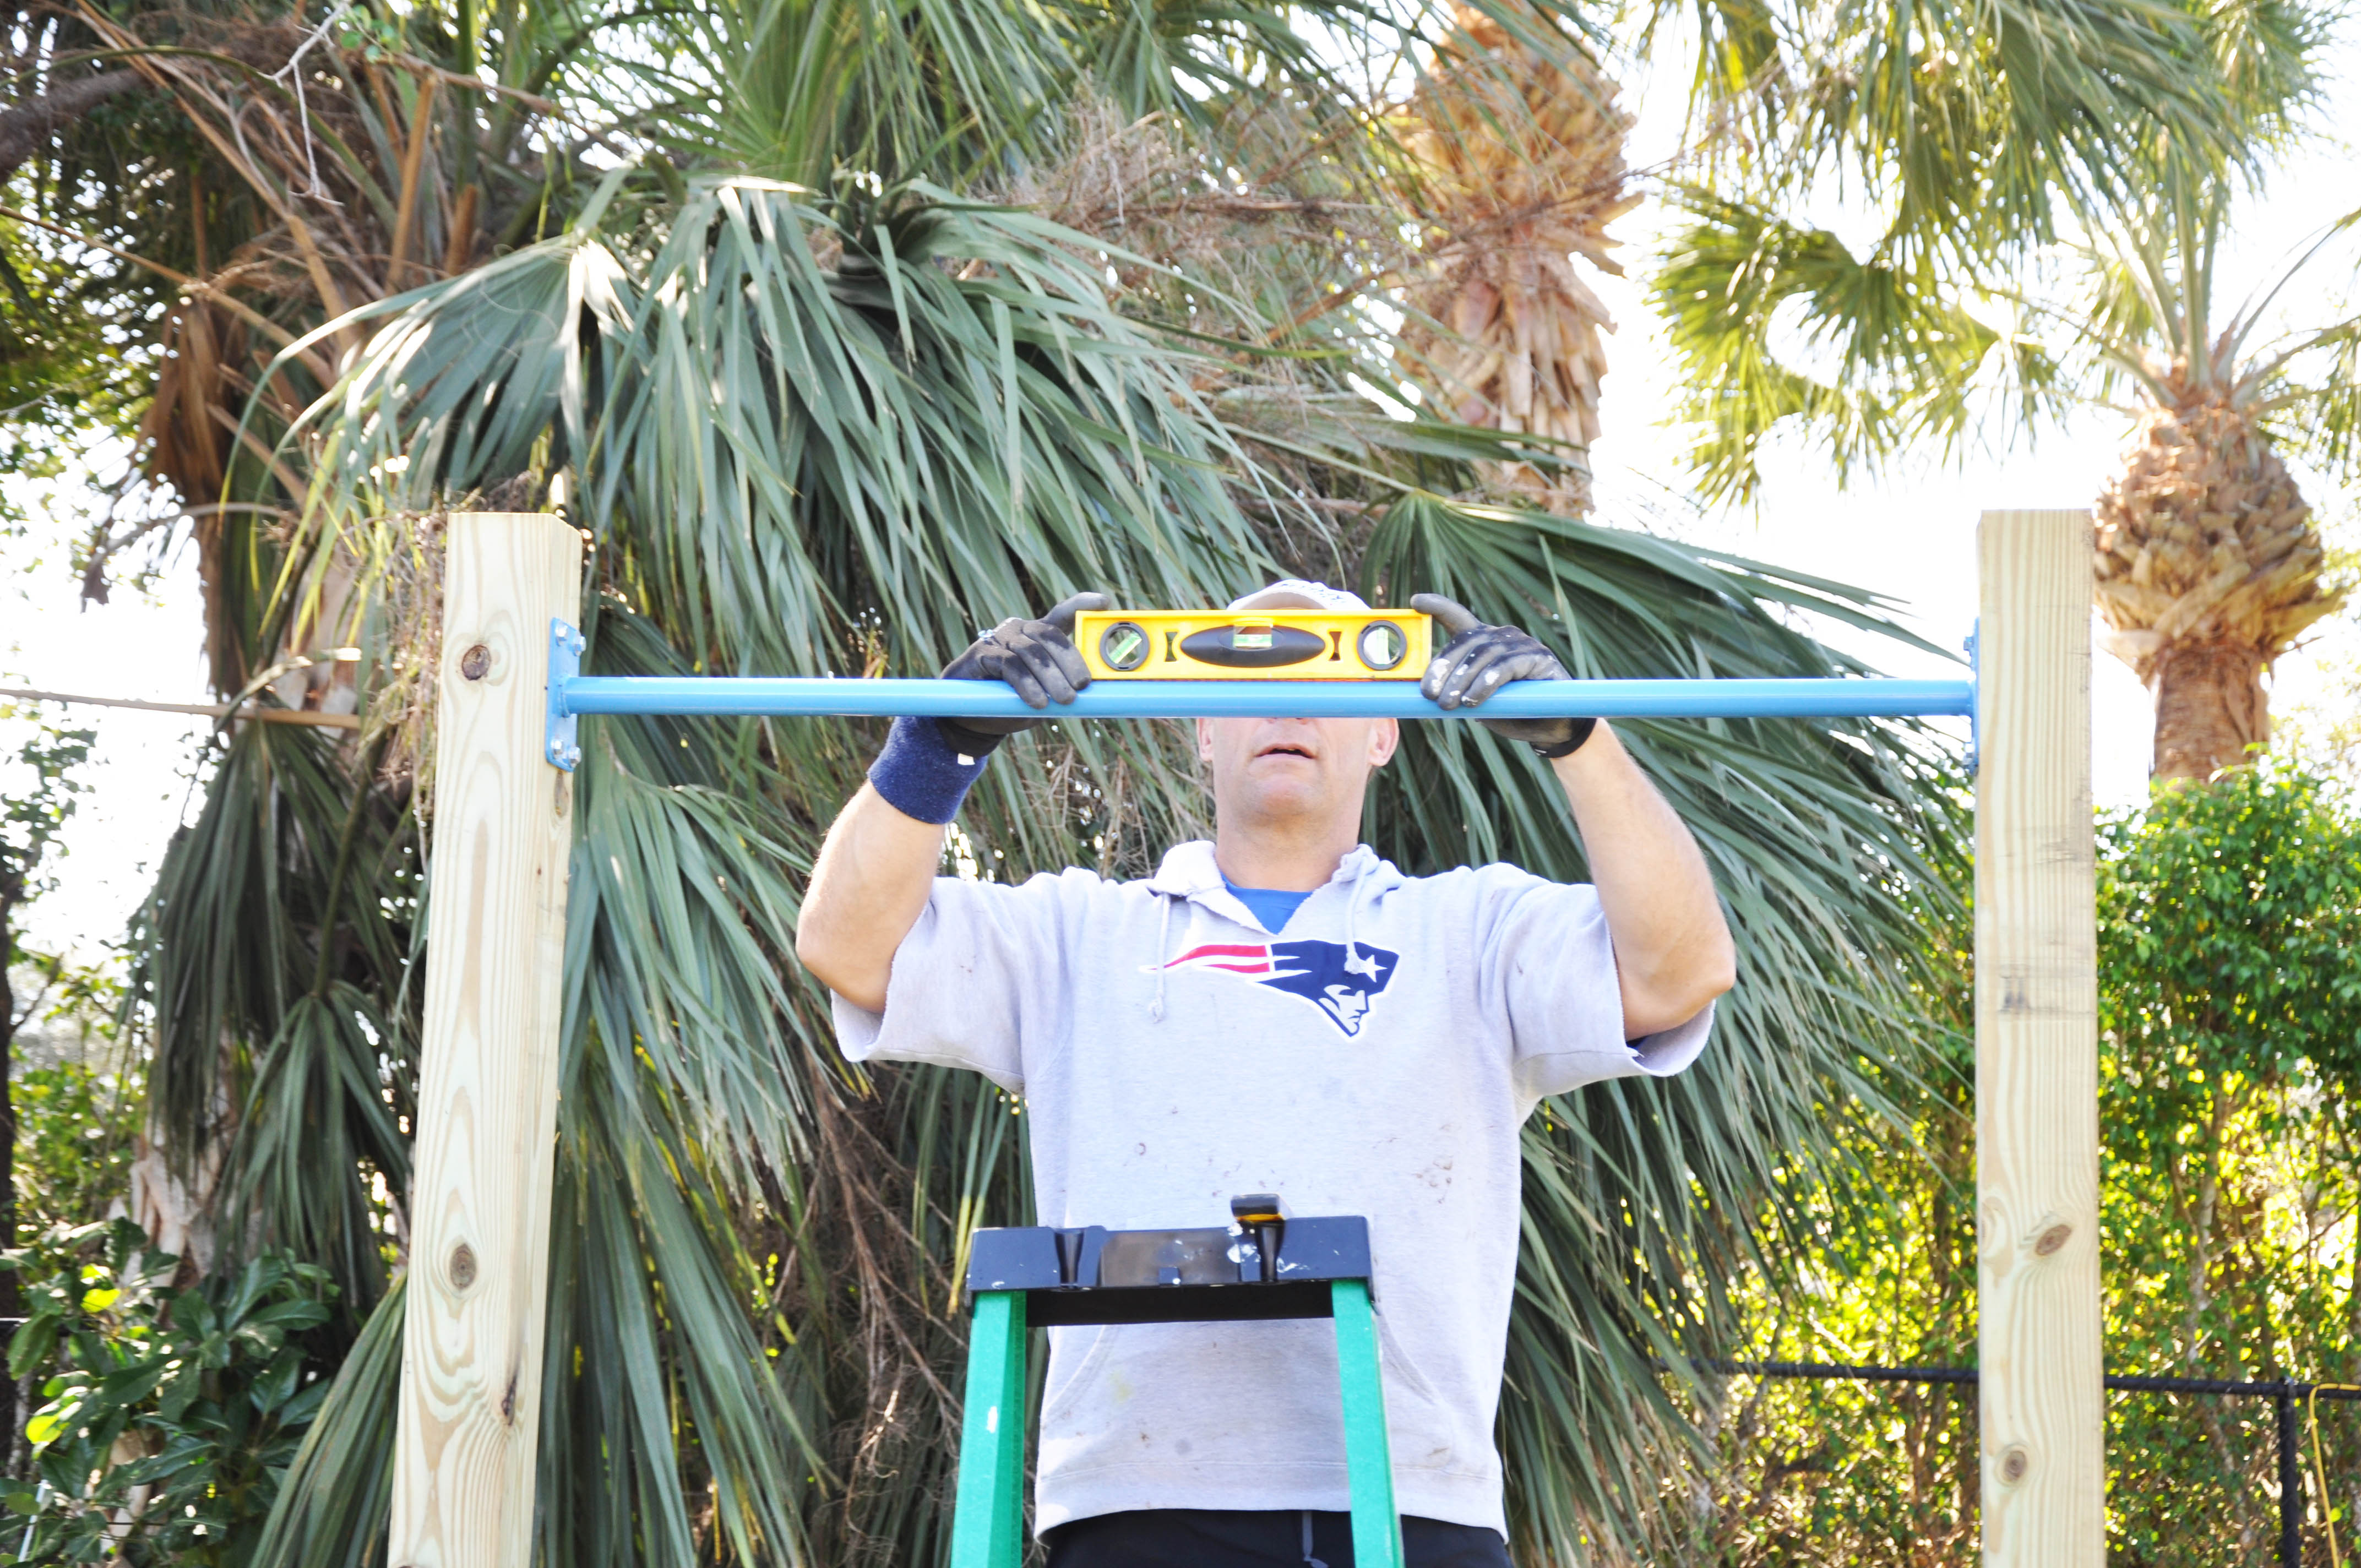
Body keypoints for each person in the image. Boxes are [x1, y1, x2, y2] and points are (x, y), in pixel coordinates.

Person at [796, 580, 1734, 1568]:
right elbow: (849, 948)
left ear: (1386, 731)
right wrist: (939, 742)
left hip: (1419, 1500)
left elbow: (1681, 973)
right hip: (1137, 1504)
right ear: (1201, 728)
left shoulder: (1472, 930)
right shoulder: (1080, 934)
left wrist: (1578, 738)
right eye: (1250, 671)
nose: (1288, 703)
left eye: (1328, 669)